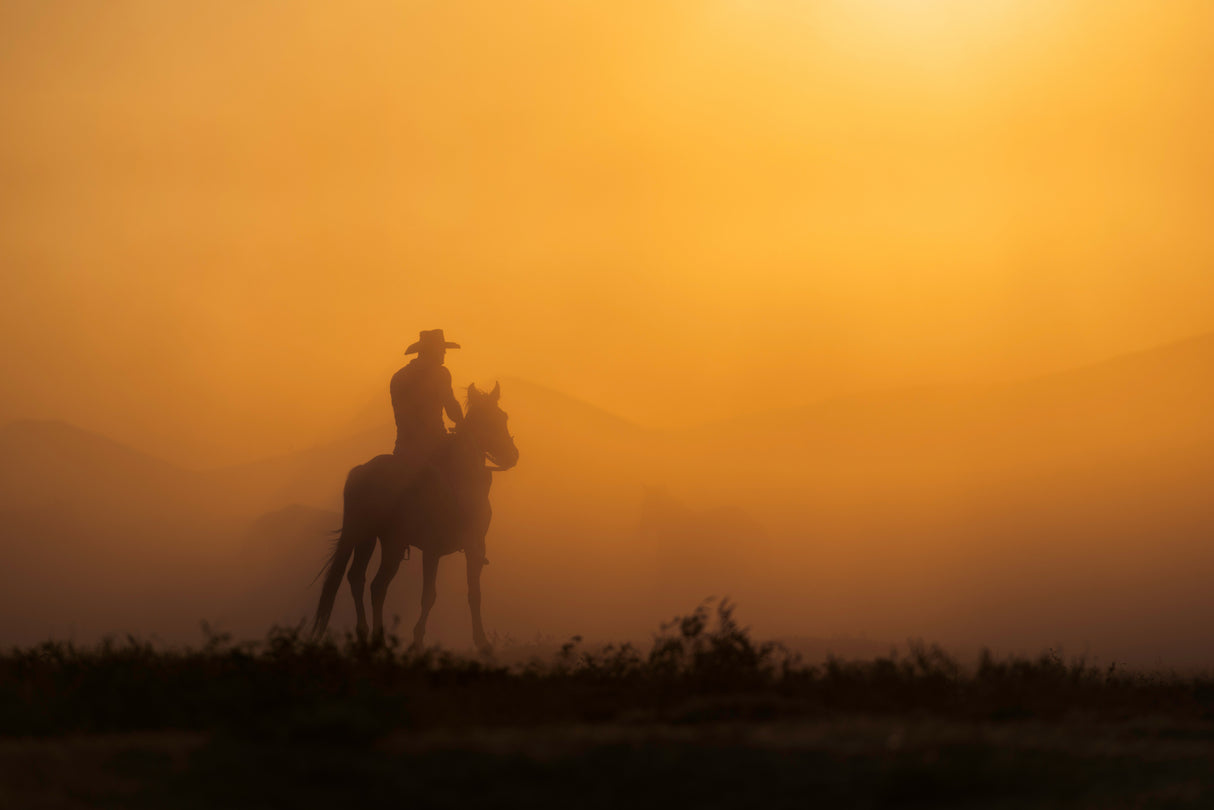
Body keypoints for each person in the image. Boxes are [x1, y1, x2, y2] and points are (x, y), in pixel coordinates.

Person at [390, 329, 464, 471]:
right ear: (432, 351)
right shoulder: (440, 374)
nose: (444, 353)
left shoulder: (398, 376)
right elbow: (451, 406)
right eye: (441, 350)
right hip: (435, 443)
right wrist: (461, 422)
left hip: (403, 447)